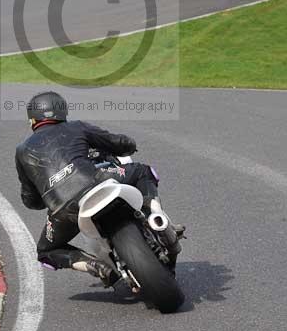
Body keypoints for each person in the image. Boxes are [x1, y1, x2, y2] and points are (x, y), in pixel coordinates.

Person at [15, 91, 182, 287]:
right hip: (97, 181)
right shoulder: (76, 127)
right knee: (142, 171)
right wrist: (129, 144)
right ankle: (157, 219)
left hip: (63, 210)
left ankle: (93, 265)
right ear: (62, 112)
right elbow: (116, 143)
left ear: (33, 120)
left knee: (45, 252)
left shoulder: (22, 150)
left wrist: (48, 192)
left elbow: (30, 200)